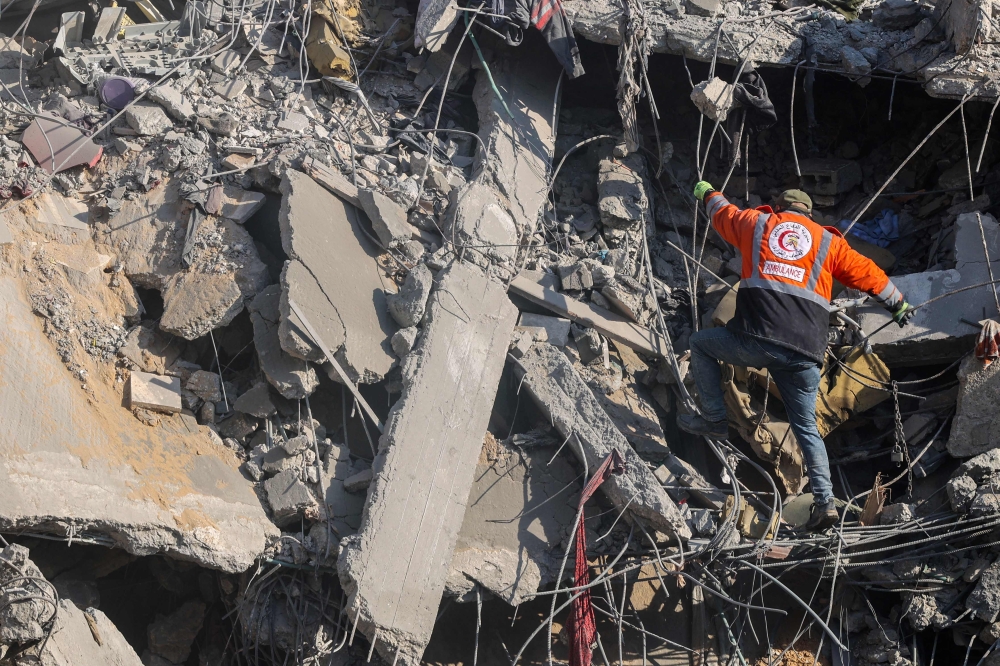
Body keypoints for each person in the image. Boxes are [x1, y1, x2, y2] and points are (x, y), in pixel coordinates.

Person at [681, 183, 914, 531]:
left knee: (701, 344)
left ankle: (714, 420)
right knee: (807, 428)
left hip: (758, 338)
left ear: (778, 207)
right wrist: (898, 303)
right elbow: (866, 272)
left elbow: (723, 215)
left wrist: (707, 192)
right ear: (809, 214)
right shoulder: (828, 242)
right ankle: (825, 504)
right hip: (806, 352)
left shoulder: (758, 224)